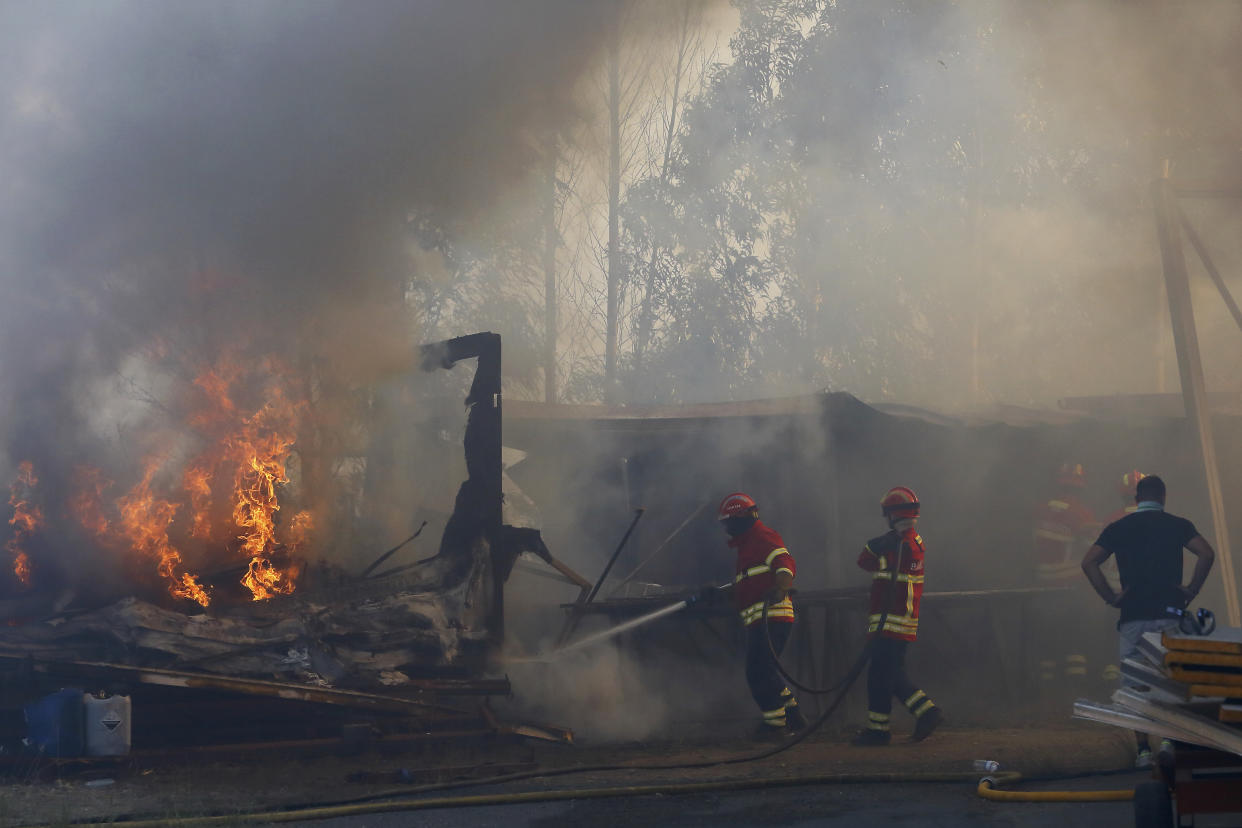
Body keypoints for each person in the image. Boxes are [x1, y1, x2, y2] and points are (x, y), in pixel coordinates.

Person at [1081, 474, 1216, 768]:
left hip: (1133, 618)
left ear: (1136, 500)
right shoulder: (1179, 525)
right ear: (1163, 498)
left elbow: (1088, 562)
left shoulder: (1119, 528)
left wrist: (1110, 596)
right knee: (1168, 681)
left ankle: (1143, 752)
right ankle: (1168, 741)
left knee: (1134, 687)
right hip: (1170, 615)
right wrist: (1191, 590)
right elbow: (1206, 553)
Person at [852, 486, 942, 746]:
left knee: (885, 676)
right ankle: (879, 729)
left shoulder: (896, 547)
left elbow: (864, 561)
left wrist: (875, 544)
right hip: (901, 621)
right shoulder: (914, 542)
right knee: (885, 674)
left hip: (889, 622)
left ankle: (925, 713)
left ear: (893, 515)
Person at [717, 491, 807, 739]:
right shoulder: (747, 547)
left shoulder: (762, 537)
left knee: (757, 671)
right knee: (765, 669)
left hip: (772, 617)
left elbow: (785, 564)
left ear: (741, 518)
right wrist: (718, 595)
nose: (726, 528)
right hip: (761, 619)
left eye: (729, 522)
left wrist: (781, 588)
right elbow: (749, 585)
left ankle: (775, 724)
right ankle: (793, 715)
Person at [1031, 462, 1101, 692]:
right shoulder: (1080, 513)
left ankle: (1046, 690)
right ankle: (1074, 690)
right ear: (1080, 487)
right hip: (1070, 584)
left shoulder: (1040, 509)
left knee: (1049, 637)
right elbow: (1094, 548)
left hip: (1043, 584)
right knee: (1075, 636)